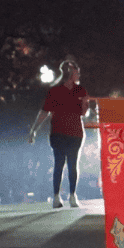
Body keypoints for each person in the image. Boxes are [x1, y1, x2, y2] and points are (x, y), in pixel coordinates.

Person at [28, 60, 89, 208]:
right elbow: (84, 112)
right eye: (77, 71)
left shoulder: (54, 91)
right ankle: (72, 196)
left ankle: (57, 197)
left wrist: (34, 129)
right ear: (71, 74)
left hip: (58, 132)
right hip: (74, 132)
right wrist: (85, 104)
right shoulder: (80, 91)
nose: (79, 74)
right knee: (73, 164)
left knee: (59, 164)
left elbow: (44, 112)